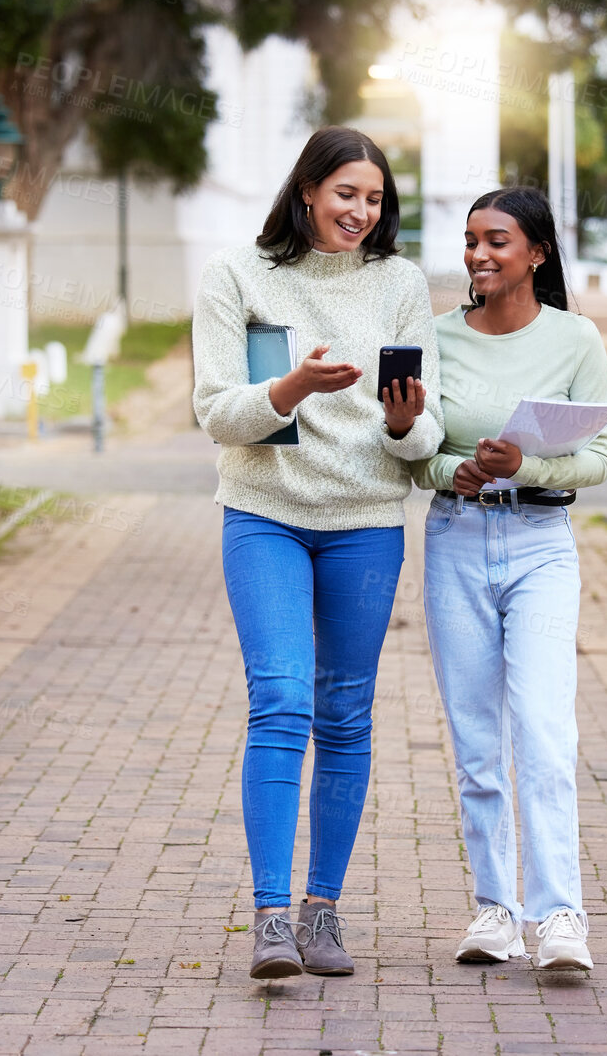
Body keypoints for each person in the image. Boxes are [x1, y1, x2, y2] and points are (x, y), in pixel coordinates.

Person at [192, 126, 442, 980]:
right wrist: (293, 386)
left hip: (366, 522)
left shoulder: (401, 283)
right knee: (282, 699)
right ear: (306, 191)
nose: (359, 212)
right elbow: (217, 411)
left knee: (344, 715)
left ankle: (322, 911)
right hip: (265, 513)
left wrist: (407, 423)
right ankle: (268, 916)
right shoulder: (237, 276)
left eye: (373, 199)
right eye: (345, 194)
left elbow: (423, 431)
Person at [410, 186, 607, 971]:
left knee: (543, 730)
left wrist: (523, 463)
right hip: (457, 539)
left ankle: (559, 915)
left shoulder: (574, 339)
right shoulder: (435, 339)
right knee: (475, 741)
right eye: (470, 240)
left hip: (540, 543)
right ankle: (494, 909)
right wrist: (450, 469)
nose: (478, 255)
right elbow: (410, 446)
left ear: (536, 253)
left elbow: (596, 458)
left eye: (496, 240)